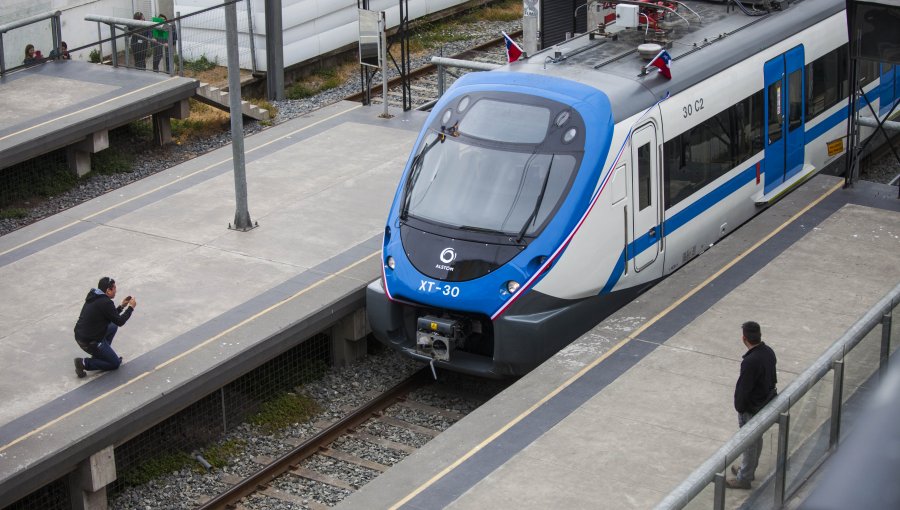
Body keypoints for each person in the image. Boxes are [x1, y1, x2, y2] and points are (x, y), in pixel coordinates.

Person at [726, 321, 777, 489]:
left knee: (749, 442)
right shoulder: (768, 352)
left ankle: (744, 478)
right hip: (765, 403)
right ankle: (748, 470)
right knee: (756, 440)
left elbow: (744, 388)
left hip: (751, 408)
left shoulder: (749, 361)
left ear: (744, 338)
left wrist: (740, 407)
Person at [73, 277, 137, 378]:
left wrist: (122, 306)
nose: (116, 290)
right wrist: (130, 308)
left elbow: (111, 317)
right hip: (89, 341)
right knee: (114, 363)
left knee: (113, 326)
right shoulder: (105, 302)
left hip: (82, 334)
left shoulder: (95, 296)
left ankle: (102, 354)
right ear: (108, 290)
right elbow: (120, 321)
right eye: (114, 288)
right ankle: (84, 363)